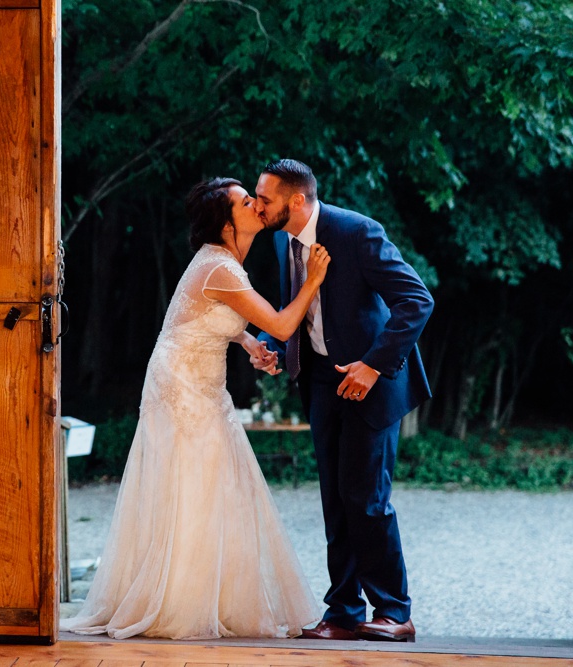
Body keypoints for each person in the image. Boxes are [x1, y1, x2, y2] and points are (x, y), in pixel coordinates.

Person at [61, 177, 327, 640]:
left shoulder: (224, 264)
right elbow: (283, 327)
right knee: (192, 484)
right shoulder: (218, 267)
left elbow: (209, 317)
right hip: (181, 384)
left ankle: (213, 598)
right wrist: (314, 282)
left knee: (219, 483)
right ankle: (177, 605)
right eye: (247, 202)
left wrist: (247, 343)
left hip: (204, 379)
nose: (257, 205)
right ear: (228, 224)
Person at [254, 159, 434, 642]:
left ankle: (396, 612)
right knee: (335, 498)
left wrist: (374, 365)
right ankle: (345, 612)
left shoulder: (355, 231)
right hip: (319, 382)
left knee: (367, 498)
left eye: (265, 198)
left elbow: (417, 299)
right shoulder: (280, 239)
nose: (257, 205)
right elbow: (304, 310)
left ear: (296, 200)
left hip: (371, 382)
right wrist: (272, 346)